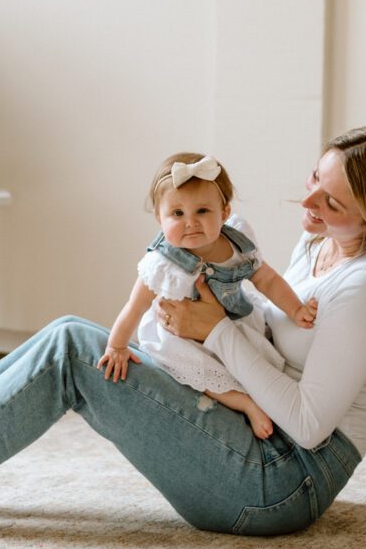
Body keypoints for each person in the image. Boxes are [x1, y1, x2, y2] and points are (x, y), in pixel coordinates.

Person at [0, 124, 366, 535]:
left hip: (283, 480)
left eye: (331, 202)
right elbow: (265, 325)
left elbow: (309, 427)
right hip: (253, 424)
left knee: (73, 352)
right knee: (70, 330)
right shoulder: (319, 244)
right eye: (316, 179)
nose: (308, 202)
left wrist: (214, 329)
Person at [97, 151, 317, 440]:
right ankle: (244, 404)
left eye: (202, 211)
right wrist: (116, 346)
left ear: (224, 213)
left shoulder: (237, 244)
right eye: (177, 214)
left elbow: (268, 280)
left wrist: (296, 309)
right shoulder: (162, 263)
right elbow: (135, 306)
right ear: (159, 218)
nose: (191, 222)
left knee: (256, 362)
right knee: (198, 369)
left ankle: (265, 401)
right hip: (183, 338)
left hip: (231, 322)